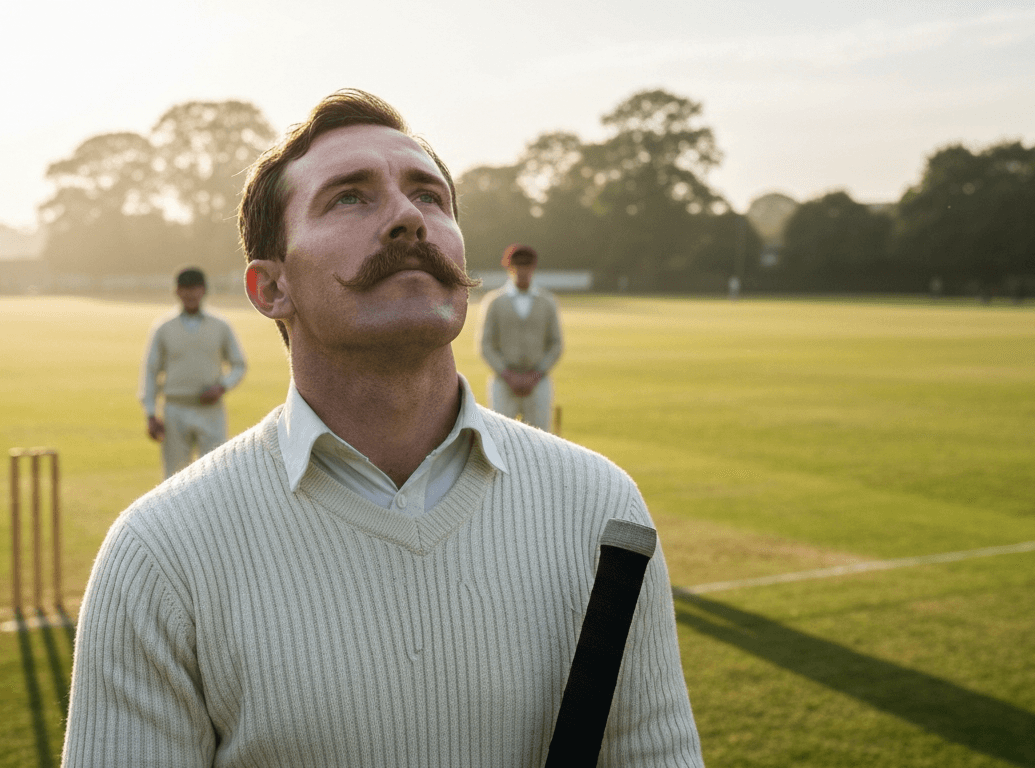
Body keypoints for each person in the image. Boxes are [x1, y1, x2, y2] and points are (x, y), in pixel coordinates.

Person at [64, 90, 702, 766]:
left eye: (430, 197)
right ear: (270, 289)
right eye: (349, 198)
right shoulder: (159, 555)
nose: (407, 218)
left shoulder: (602, 507)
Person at [140, 267, 248, 478]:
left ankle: (216, 512)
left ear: (204, 291)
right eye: (185, 289)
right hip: (175, 409)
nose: (190, 294)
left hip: (211, 409)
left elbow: (239, 364)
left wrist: (222, 386)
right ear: (177, 291)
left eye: (195, 288)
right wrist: (151, 413)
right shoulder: (163, 328)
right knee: (175, 476)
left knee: (216, 474)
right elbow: (151, 371)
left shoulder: (220, 326)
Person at [476, 244, 564, 431]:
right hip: (503, 381)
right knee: (500, 438)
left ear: (533, 267)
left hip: (538, 381)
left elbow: (556, 344)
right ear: (509, 267)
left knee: (541, 440)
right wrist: (507, 374)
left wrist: (537, 373)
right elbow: (485, 344)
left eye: (527, 265)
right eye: (518, 265)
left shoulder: (547, 301)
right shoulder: (495, 301)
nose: (522, 270)